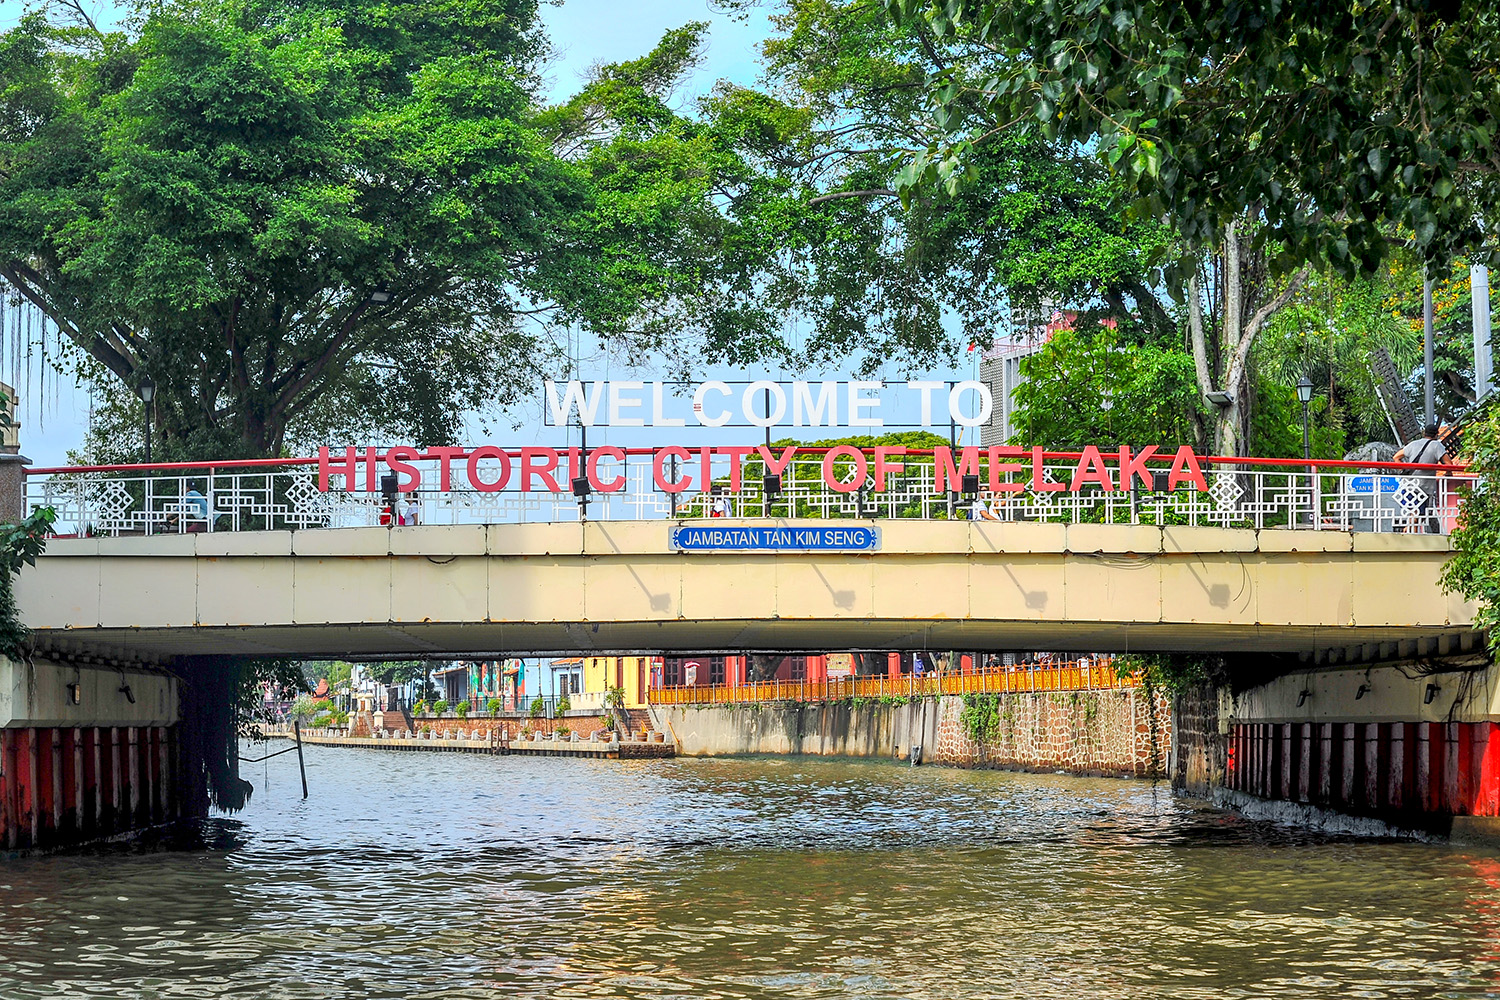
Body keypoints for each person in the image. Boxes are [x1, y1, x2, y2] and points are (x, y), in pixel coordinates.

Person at [1394, 422, 1448, 533]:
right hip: (1425, 486)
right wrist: (1448, 474)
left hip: (1409, 484)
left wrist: (1403, 470)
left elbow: (1396, 457)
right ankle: (1412, 532)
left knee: (1415, 511)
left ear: (1424, 433)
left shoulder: (1413, 444)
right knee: (1420, 512)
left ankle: (1408, 530)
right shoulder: (1436, 445)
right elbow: (1448, 463)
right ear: (1436, 435)